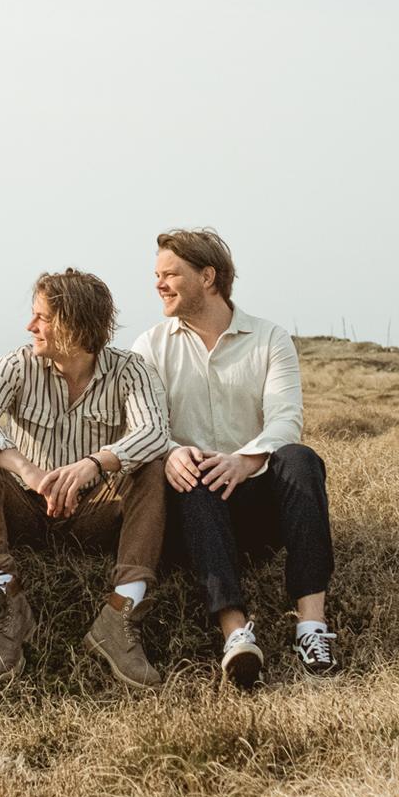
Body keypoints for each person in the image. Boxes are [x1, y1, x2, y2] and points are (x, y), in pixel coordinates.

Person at [131, 229, 338, 688]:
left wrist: (243, 462)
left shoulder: (269, 338)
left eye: (170, 275)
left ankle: (312, 626)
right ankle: (236, 634)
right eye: (157, 275)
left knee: (300, 459)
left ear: (208, 277)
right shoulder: (149, 347)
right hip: (192, 514)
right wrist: (170, 453)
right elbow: (144, 425)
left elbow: (286, 419)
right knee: (194, 472)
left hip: (256, 505)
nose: (159, 284)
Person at [0, 269, 171, 688]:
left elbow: (154, 432)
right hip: (25, 510)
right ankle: (6, 600)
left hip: (94, 515)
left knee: (152, 465)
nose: (30, 326)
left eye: (43, 318)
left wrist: (94, 463)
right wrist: (28, 470)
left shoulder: (130, 370)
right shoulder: (19, 363)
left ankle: (121, 612)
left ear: (75, 325)